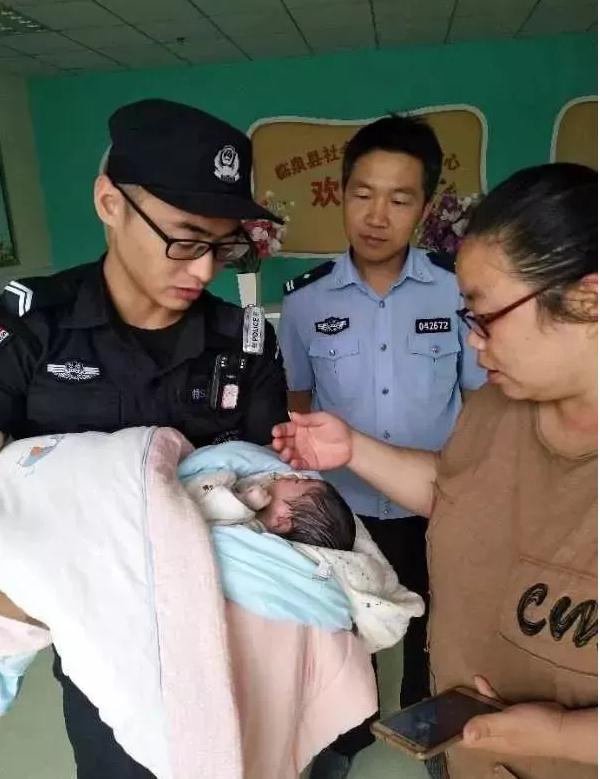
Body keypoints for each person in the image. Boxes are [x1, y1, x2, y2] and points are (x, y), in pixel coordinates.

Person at [273, 162, 597, 779]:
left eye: (486, 316)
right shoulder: (500, 408)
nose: (472, 340)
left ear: (587, 300)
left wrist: (562, 734)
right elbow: (459, 493)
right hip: (466, 755)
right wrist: (352, 448)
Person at [0, 98, 288, 779]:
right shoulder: (33, 328)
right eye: (185, 239)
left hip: (221, 625)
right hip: (90, 638)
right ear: (110, 203)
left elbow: (266, 490)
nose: (205, 270)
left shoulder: (244, 344)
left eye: (223, 245)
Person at [277, 114, 485, 775]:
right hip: (346, 511)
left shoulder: (457, 291)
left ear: (424, 208)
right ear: (341, 195)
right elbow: (298, 402)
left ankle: (429, 733)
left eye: (399, 199)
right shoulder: (305, 302)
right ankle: (345, 738)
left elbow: (482, 403)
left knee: (437, 629)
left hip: (436, 503)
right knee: (345, 631)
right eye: (362, 194)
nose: (376, 216)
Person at [180, 441, 356, 550]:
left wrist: (243, 502)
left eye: (297, 482)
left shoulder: (251, 531)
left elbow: (204, 509)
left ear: (281, 521)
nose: (293, 476)